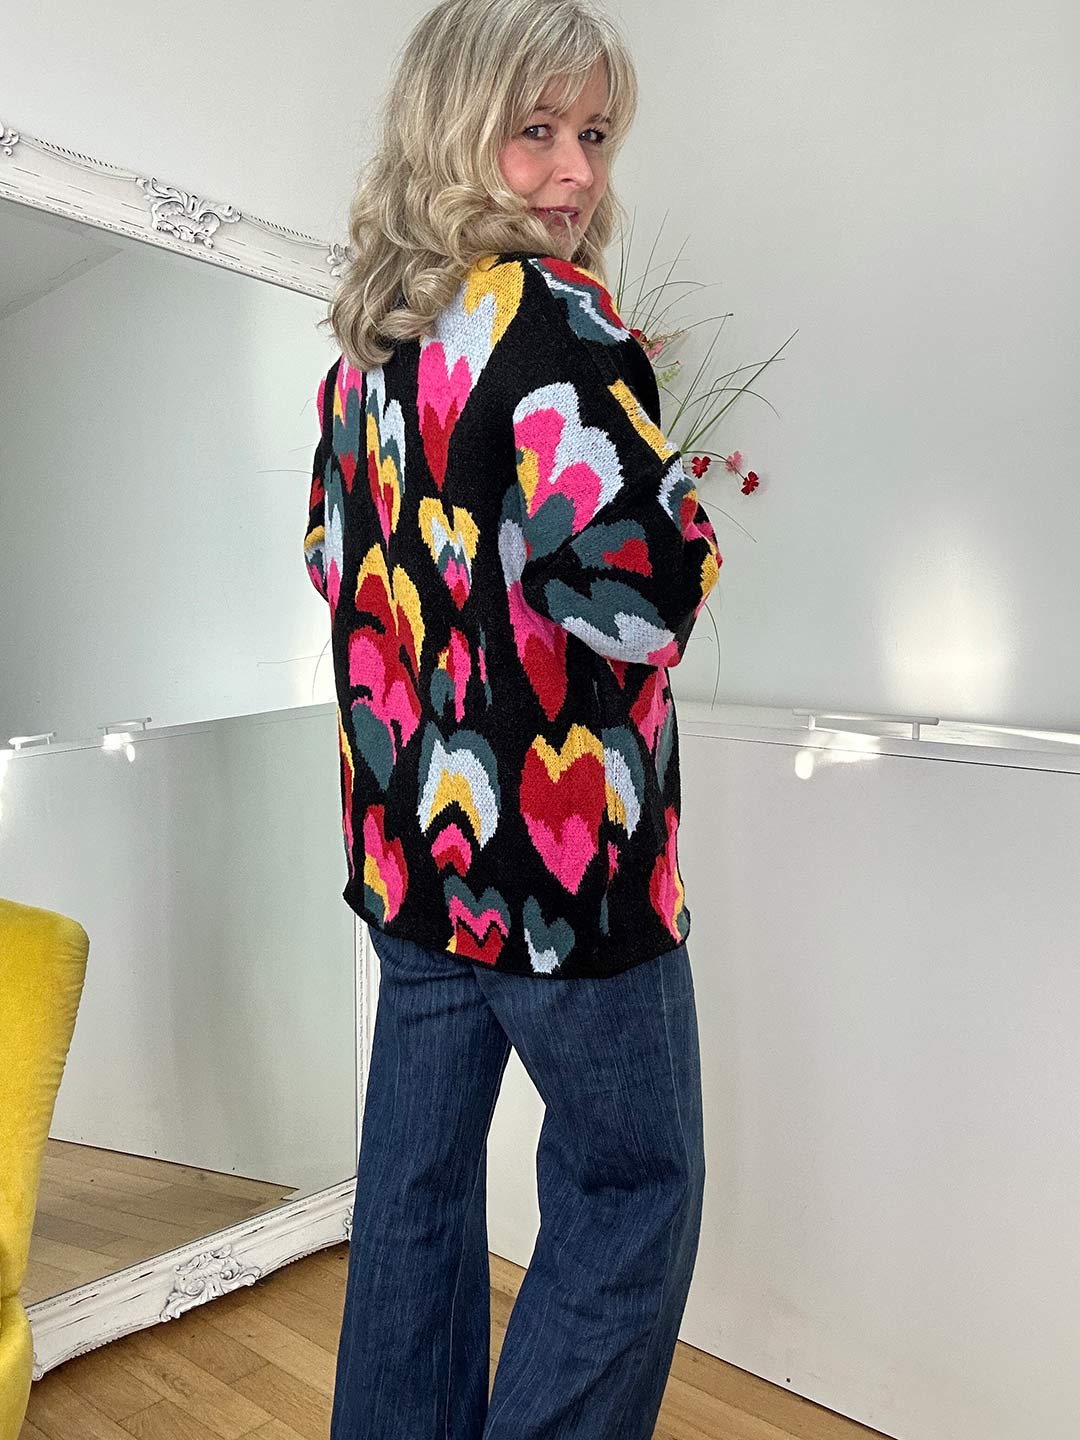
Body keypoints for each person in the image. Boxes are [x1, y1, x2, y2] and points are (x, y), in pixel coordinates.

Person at [303, 2, 721, 1435]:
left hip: (413, 861)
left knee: (415, 1200)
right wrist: (684, 515)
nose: (571, 175)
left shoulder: (364, 358)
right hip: (564, 872)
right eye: (532, 130)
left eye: (592, 135)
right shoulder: (549, 323)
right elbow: (642, 598)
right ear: (450, 127)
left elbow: (331, 563)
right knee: (632, 1191)